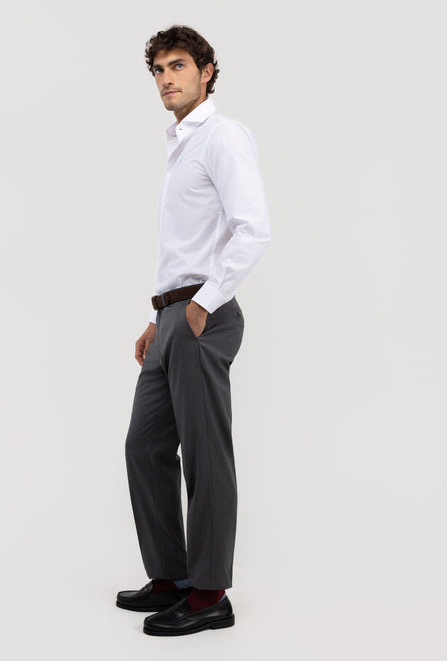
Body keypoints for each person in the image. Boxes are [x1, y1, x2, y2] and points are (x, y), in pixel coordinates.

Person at [115, 25, 271, 636]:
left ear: (207, 71)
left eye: (177, 66)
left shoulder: (222, 137)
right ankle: (173, 577)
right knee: (145, 446)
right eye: (157, 70)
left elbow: (252, 229)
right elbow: (187, 247)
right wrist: (158, 318)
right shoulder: (181, 146)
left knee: (205, 457)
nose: (165, 79)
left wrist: (201, 305)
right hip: (172, 318)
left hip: (203, 314)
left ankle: (209, 596)